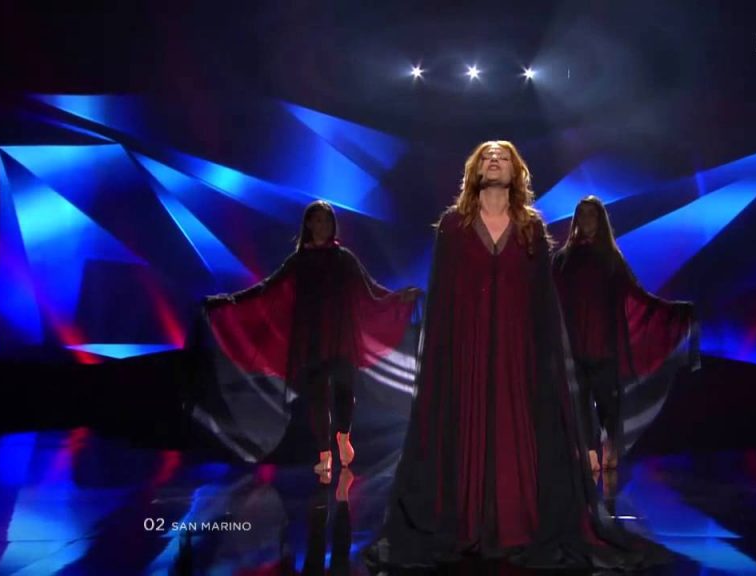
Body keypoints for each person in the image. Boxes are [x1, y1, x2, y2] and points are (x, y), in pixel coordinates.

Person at [368, 141, 670, 570]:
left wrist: (544, 364)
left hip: (517, 353)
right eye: (487, 155)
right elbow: (442, 301)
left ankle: (516, 526)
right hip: (467, 351)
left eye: (504, 156)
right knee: (467, 431)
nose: (495, 159)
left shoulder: (530, 228)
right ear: (475, 169)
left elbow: (542, 302)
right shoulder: (454, 226)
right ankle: (465, 525)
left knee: (515, 435)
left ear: (516, 172)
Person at [204, 200, 419, 473]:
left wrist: (399, 297)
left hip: (341, 334)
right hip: (312, 337)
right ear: (308, 224)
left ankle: (343, 436)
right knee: (318, 397)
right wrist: (230, 300)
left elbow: (370, 287)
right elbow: (267, 287)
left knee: (344, 390)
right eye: (317, 220)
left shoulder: (344, 258)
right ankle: (324, 454)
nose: (322, 225)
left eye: (326, 221)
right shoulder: (299, 260)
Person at [552, 196, 696, 472]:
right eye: (582, 214)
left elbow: (635, 295)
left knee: (608, 402)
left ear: (600, 219)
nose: (586, 219)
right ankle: (590, 452)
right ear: (575, 219)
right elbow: (549, 297)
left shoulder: (611, 259)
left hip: (604, 345)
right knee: (579, 403)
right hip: (574, 346)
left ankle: (609, 446)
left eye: (592, 214)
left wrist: (674, 312)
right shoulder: (563, 259)